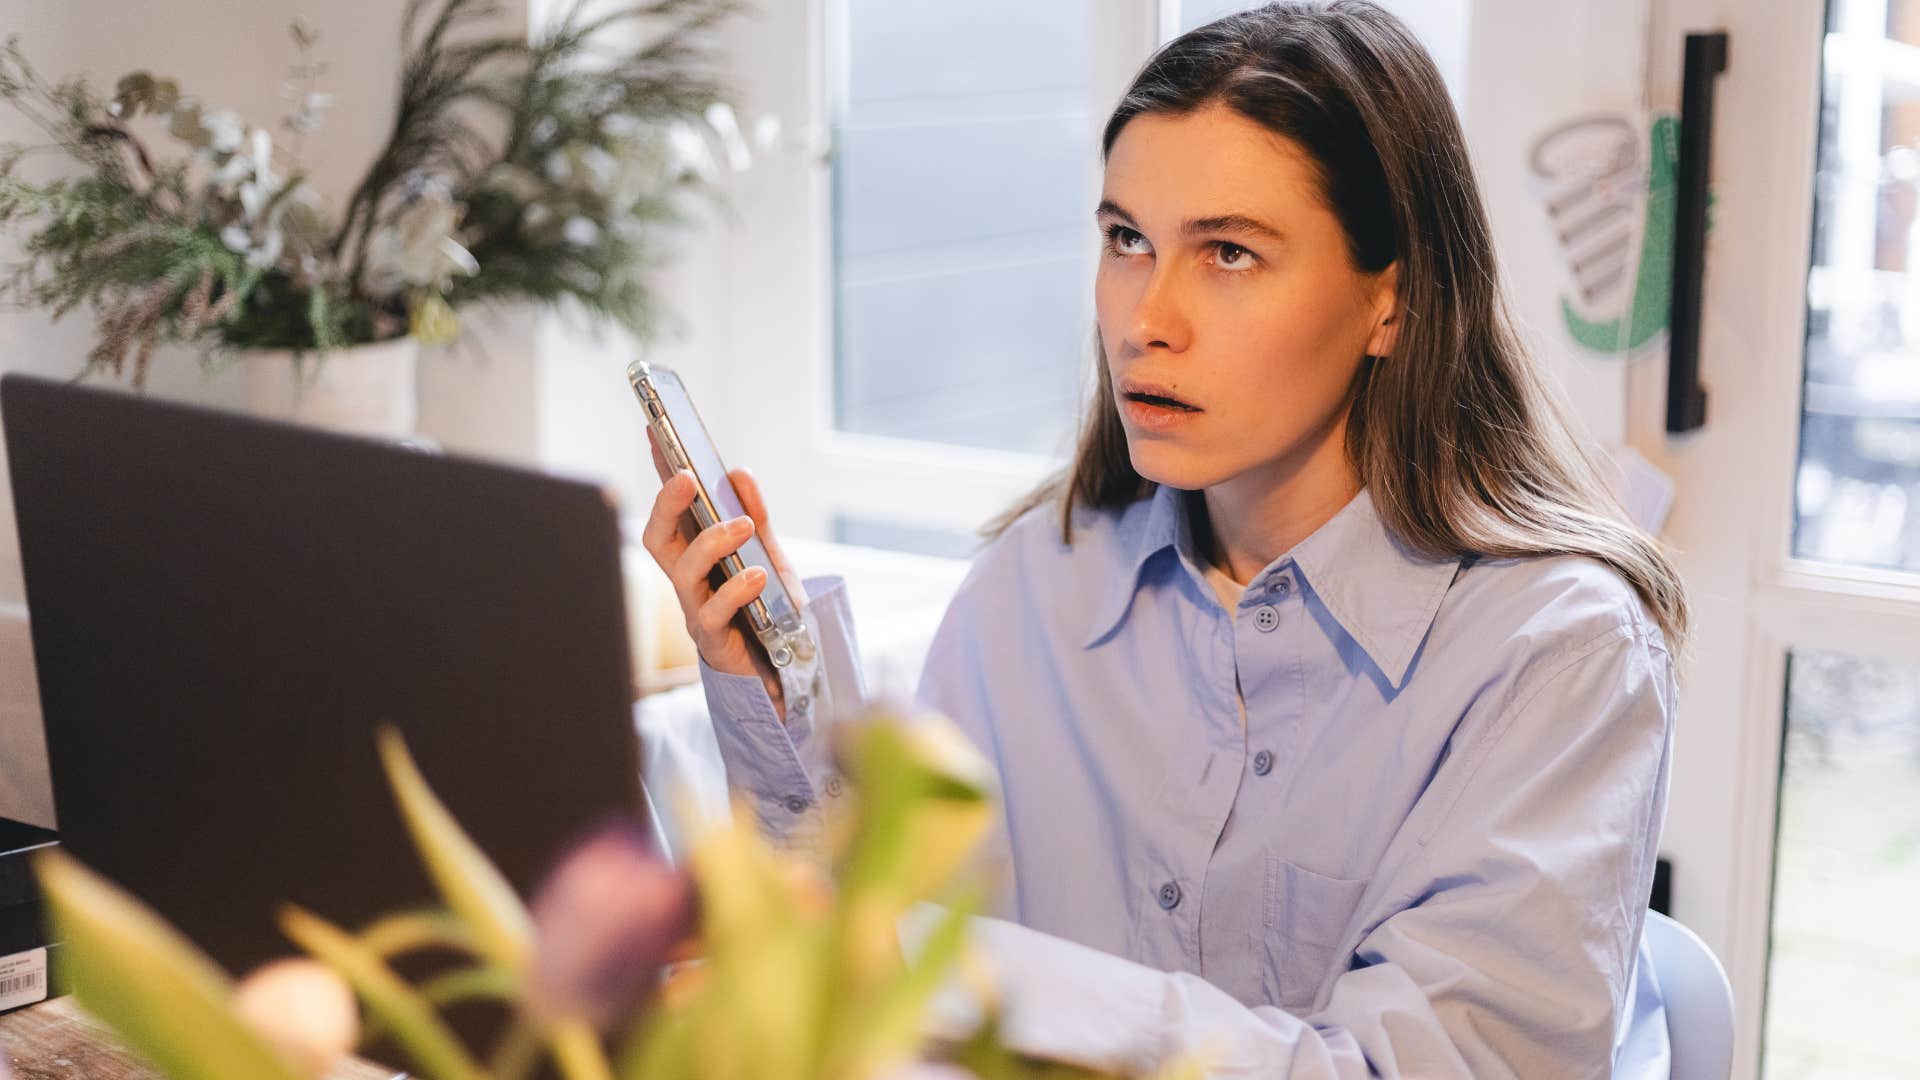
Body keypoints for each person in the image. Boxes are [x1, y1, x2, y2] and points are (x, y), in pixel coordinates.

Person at [640, 2, 1684, 1076]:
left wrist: (974, 977)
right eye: (1126, 240)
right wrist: (776, 702)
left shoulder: (1560, 656)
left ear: (1394, 302)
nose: (1147, 318)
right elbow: (868, 975)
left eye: (1229, 252)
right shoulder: (1033, 584)